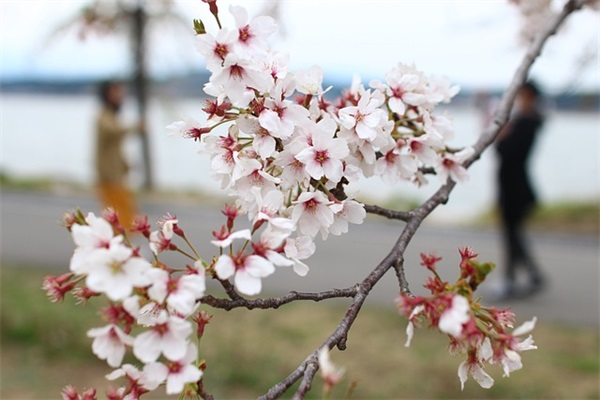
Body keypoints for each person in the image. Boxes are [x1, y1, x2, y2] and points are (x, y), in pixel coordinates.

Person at [494, 81, 546, 299]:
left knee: (512, 235)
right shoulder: (525, 121)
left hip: (516, 189)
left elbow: (504, 150)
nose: (518, 99)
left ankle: (512, 279)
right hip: (513, 187)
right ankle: (528, 276)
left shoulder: (527, 122)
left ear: (530, 96)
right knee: (513, 235)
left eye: (522, 95)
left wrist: (502, 137)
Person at [95, 80, 141, 229]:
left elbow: (115, 145)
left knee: (125, 207)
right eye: (116, 91)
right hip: (108, 174)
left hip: (116, 173)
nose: (120, 95)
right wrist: (136, 126)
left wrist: (124, 162)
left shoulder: (111, 116)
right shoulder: (103, 116)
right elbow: (113, 131)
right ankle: (120, 245)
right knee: (115, 211)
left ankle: (125, 243)